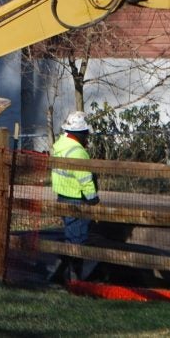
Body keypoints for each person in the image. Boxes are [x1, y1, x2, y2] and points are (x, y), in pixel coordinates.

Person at [47, 110, 100, 282]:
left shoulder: (60, 145)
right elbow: (85, 179)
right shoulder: (77, 152)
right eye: (86, 134)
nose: (87, 137)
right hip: (76, 199)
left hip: (62, 195)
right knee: (77, 241)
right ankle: (75, 280)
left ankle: (59, 275)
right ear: (80, 133)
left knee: (71, 237)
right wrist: (93, 198)